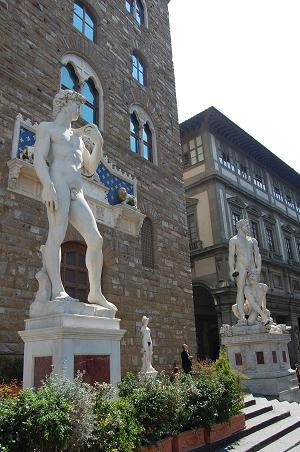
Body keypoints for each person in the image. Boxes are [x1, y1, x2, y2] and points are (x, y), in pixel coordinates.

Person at [34, 89, 116, 313]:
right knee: (57, 234)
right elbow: (39, 158)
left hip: (76, 191)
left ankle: (95, 292)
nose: (80, 111)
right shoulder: (47, 128)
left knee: (96, 239)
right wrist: (47, 186)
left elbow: (89, 168)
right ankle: (57, 289)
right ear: (65, 103)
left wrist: (97, 144)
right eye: (77, 105)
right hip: (57, 184)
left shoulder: (77, 139)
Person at [228, 219, 261, 325]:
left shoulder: (253, 240)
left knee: (255, 289)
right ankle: (242, 316)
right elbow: (231, 256)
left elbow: (257, 255)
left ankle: (255, 314)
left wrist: (258, 267)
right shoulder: (234, 240)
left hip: (252, 267)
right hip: (240, 266)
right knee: (240, 291)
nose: (249, 228)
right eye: (247, 226)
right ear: (240, 227)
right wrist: (232, 269)